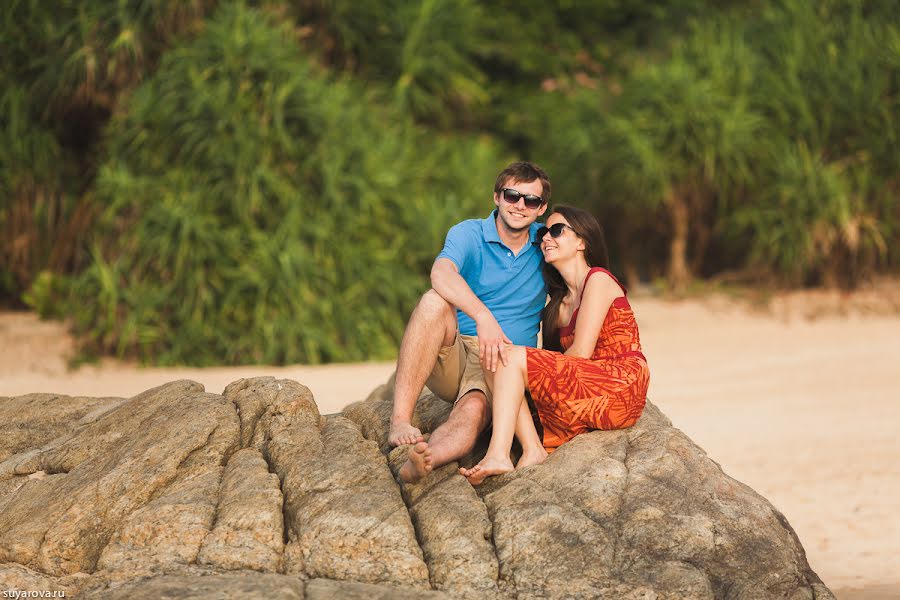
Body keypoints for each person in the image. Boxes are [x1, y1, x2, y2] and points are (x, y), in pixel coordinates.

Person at [460, 205, 649, 485]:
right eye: (544, 233)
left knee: (509, 360)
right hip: (586, 386)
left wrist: (521, 376)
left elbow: (582, 352)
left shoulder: (597, 279)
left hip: (620, 382)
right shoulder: (558, 307)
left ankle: (498, 453)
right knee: (498, 357)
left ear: (582, 241)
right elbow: (559, 367)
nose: (547, 237)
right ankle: (533, 449)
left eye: (557, 230)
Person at [391, 162, 551, 483]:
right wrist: (483, 316)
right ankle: (399, 420)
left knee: (472, 411)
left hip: (502, 363)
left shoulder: (547, 244)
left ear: (541, 209)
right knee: (433, 301)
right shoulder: (469, 232)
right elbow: (441, 273)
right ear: (496, 196)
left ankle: (426, 458)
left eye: (530, 201)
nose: (520, 206)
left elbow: (583, 269)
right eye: (512, 196)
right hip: (456, 350)